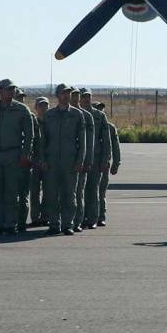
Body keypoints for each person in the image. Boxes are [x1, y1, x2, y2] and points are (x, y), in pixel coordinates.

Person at [0, 79, 34, 236]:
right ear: (0, 91)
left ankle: (10, 224)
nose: (11, 92)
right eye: (8, 89)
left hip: (13, 154)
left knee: (11, 191)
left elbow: (30, 135)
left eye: (13, 89)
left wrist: (25, 153)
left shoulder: (22, 110)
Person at [40, 85, 86, 235]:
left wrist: (80, 161)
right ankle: (54, 224)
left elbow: (83, 141)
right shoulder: (49, 115)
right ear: (57, 95)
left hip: (70, 161)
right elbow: (42, 140)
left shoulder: (77, 115)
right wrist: (43, 159)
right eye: (64, 93)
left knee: (69, 194)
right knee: (52, 194)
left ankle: (68, 224)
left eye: (69, 93)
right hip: (52, 161)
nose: (67, 96)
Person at [79, 89, 110, 229]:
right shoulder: (75, 114)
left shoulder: (99, 116)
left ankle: (93, 218)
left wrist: (105, 161)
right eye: (83, 96)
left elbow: (106, 140)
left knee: (93, 190)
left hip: (95, 158)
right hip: (78, 158)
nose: (86, 99)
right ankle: (80, 217)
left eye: (88, 96)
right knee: (79, 191)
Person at [71, 88, 95, 232]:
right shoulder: (63, 114)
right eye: (72, 95)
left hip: (82, 160)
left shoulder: (87, 116)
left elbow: (89, 142)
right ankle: (69, 220)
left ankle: (81, 220)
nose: (75, 98)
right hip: (66, 160)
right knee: (69, 193)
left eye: (77, 96)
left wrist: (88, 161)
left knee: (82, 192)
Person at [28, 97, 47, 228]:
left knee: (48, 190)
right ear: (36, 107)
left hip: (47, 160)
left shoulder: (52, 122)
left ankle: (45, 216)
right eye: (41, 105)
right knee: (34, 191)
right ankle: (35, 217)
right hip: (34, 160)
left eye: (45, 105)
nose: (43, 108)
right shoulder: (32, 122)